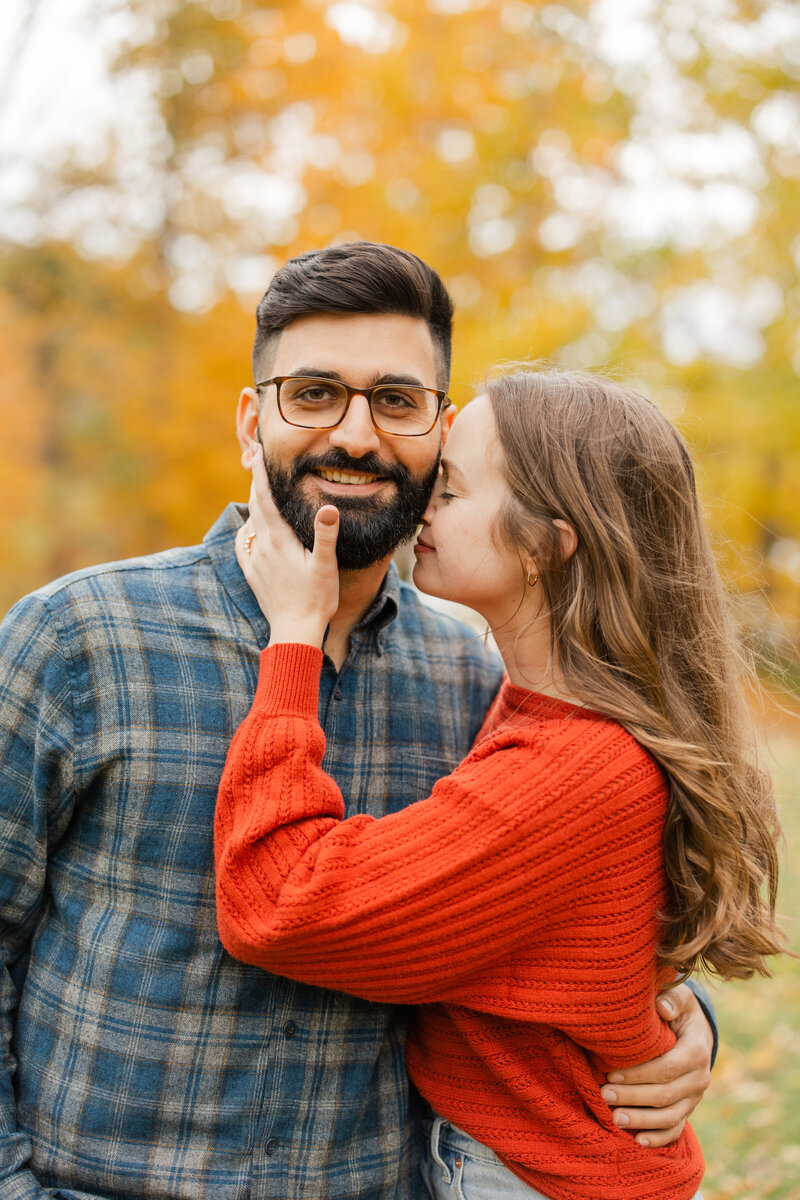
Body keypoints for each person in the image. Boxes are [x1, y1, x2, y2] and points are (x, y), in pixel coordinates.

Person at [0, 244, 715, 1200]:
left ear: (442, 431)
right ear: (253, 422)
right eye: (314, 394)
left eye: (396, 400)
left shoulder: (477, 676)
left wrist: (675, 1017)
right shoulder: (79, 637)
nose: (356, 435)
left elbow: (555, 902)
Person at [215, 365, 784, 1199]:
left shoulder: (576, 766)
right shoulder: (541, 712)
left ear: (549, 542)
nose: (422, 509)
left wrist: (296, 634)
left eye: (451, 489)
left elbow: (281, 903)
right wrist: (682, 1012)